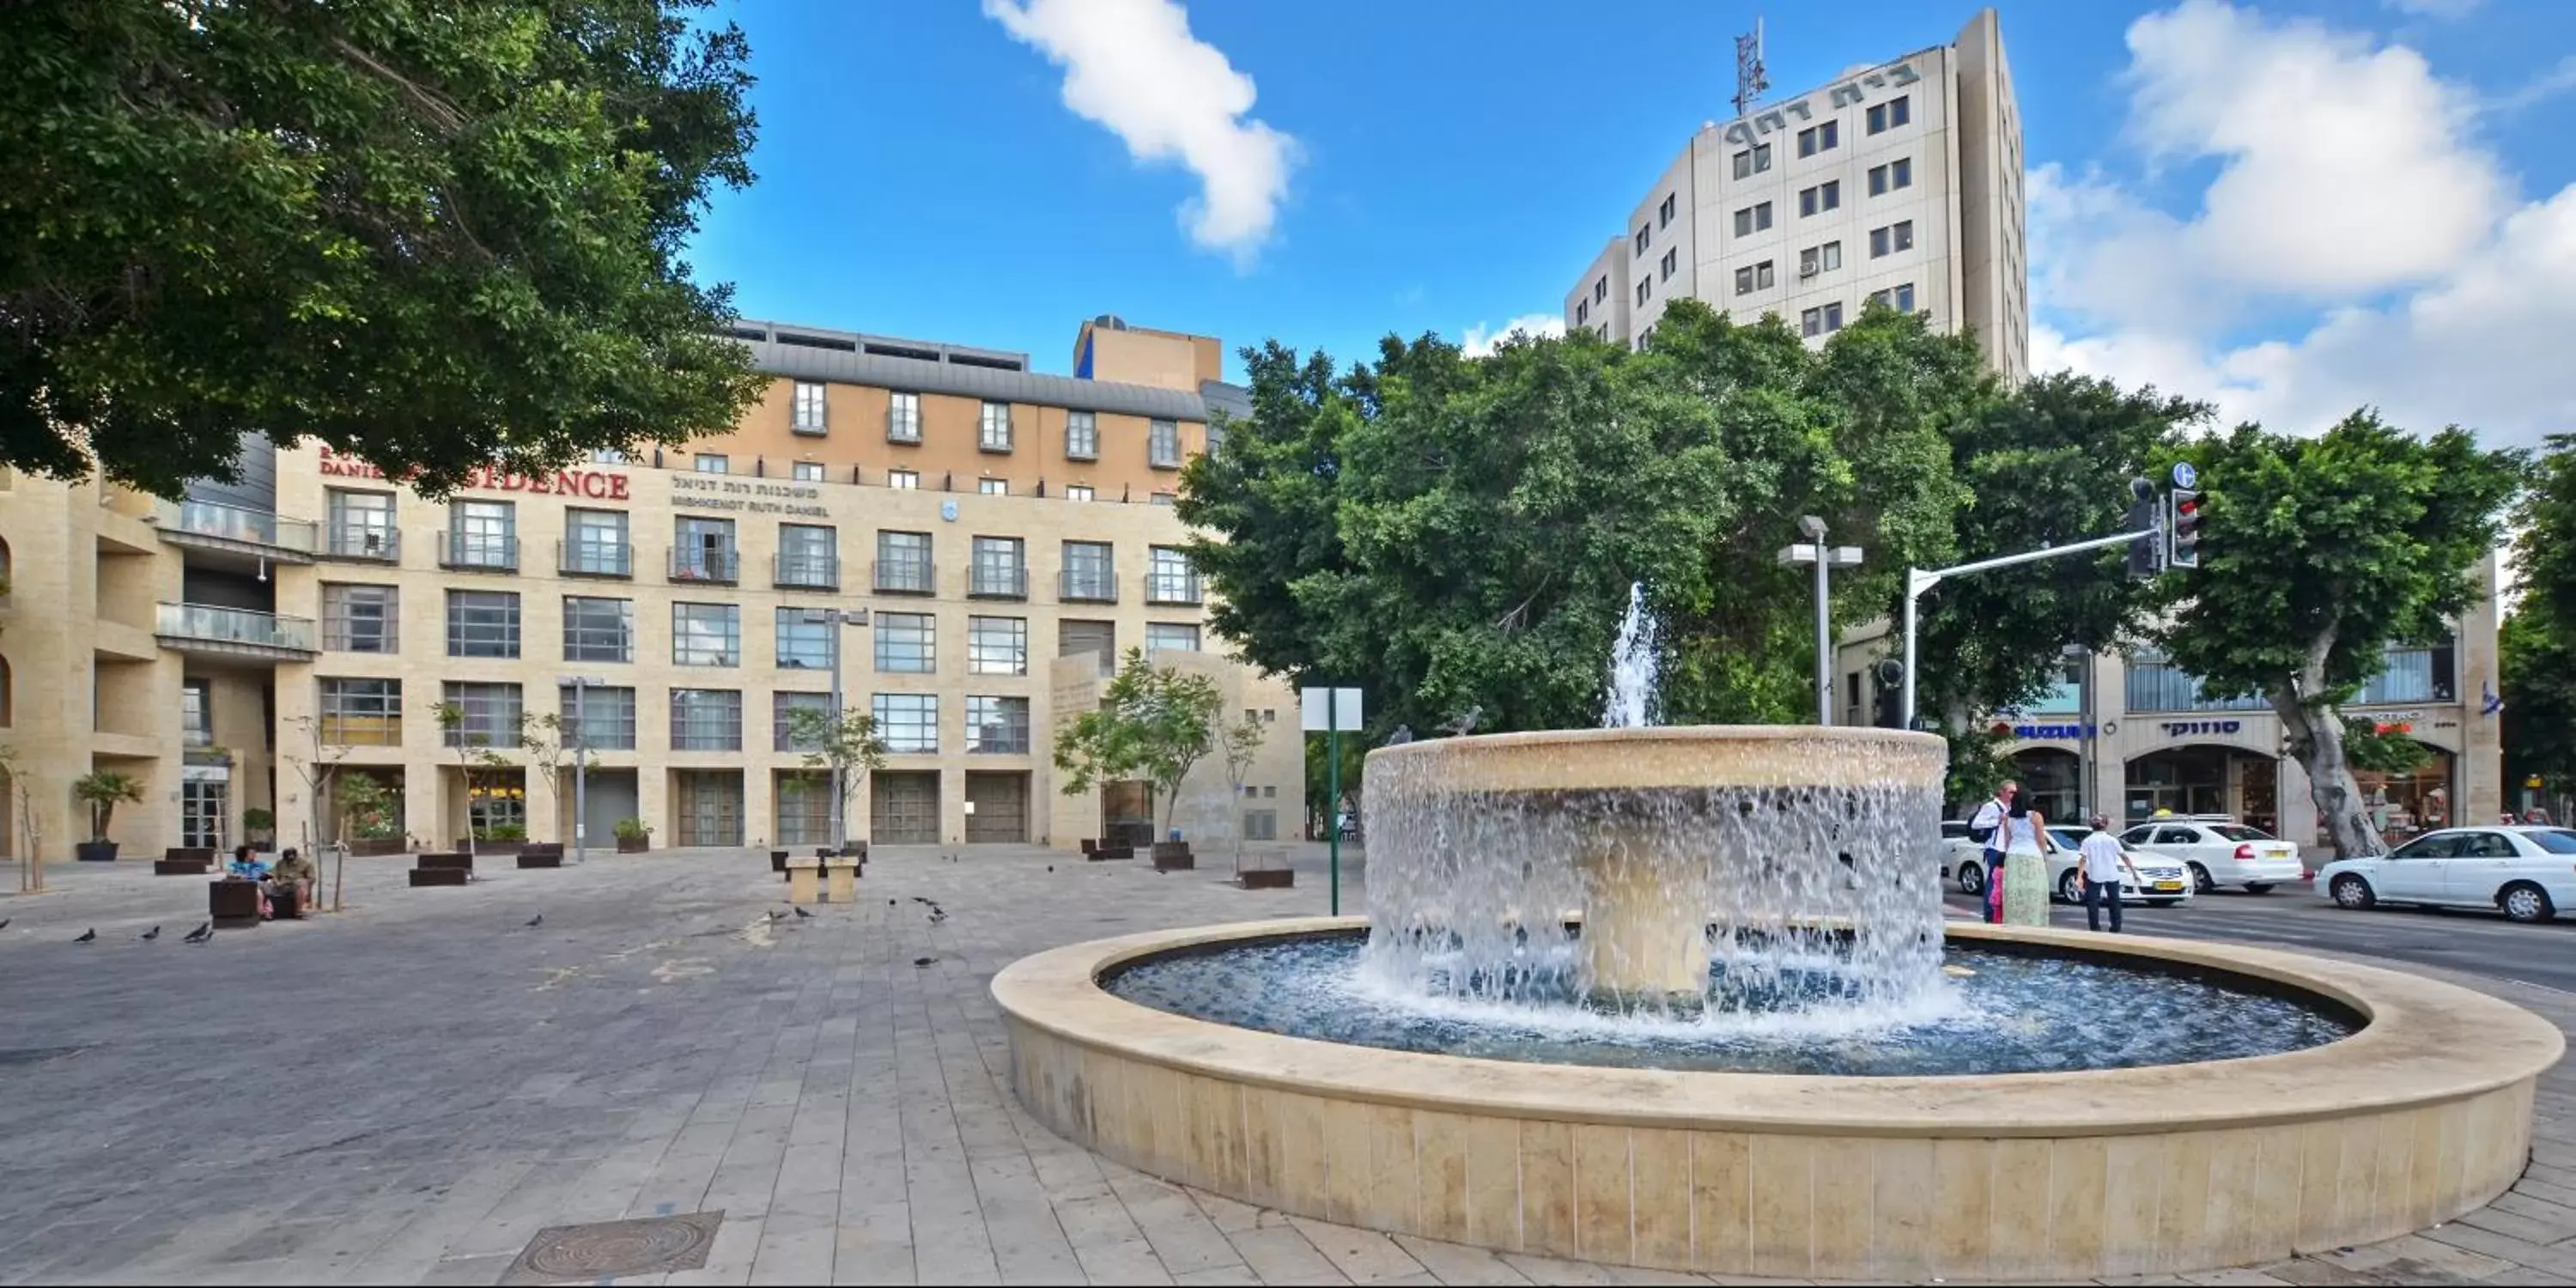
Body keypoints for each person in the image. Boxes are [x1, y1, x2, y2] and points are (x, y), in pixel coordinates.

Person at [1998, 797, 2054, 927]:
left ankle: (2014, 923)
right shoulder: (2036, 816)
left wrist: (2009, 855)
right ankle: (2034, 923)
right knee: (2034, 892)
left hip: (2013, 856)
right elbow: (2041, 840)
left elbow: (2007, 840)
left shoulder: (2007, 818)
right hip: (2032, 855)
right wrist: (2045, 857)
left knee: (2015, 892)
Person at [1967, 781, 2017, 924]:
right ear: (2002, 792)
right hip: (1995, 849)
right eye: (2010, 792)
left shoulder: (2012, 808)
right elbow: (1976, 824)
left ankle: (2001, 914)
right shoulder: (1991, 807)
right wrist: (1997, 821)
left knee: (2004, 882)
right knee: (1993, 882)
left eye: (2014, 792)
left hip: (2008, 848)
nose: (2013, 795)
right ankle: (1990, 915)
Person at [2077, 813, 2125, 934]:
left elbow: (2083, 859)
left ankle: (2095, 927)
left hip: (2095, 875)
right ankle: (2116, 927)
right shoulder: (2112, 840)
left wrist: (2079, 877)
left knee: (2092, 902)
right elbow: (2124, 856)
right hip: (2111, 874)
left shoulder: (2088, 841)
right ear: (2106, 826)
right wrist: (2134, 872)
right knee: (2114, 901)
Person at [268, 846, 317, 914]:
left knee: (301, 883)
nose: (288, 861)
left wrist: (301, 881)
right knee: (263, 885)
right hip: (281, 885)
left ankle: (299, 911)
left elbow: (312, 878)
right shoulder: (280, 863)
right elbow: (273, 874)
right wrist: (276, 881)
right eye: (286, 859)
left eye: (291, 858)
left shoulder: (306, 863)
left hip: (296, 885)